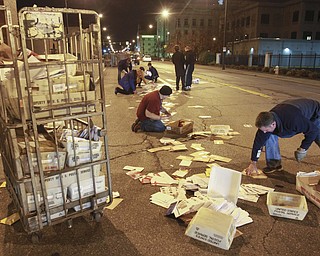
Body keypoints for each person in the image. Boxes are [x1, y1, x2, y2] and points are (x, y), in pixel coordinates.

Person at [245, 98, 320, 175]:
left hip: (314, 113)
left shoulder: (293, 120)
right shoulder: (266, 123)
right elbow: (258, 144)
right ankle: (274, 165)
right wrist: (253, 162)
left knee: (317, 136)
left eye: (266, 129)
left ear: (273, 124)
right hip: (291, 109)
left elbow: (313, 130)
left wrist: (303, 149)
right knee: (268, 136)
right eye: (263, 130)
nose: (264, 132)